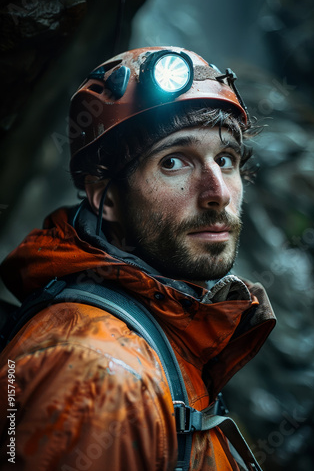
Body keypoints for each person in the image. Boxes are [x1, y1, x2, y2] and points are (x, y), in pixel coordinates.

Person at [0, 47, 275, 470]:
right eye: (174, 162)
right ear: (105, 199)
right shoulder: (96, 375)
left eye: (225, 159)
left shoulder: (164, 331)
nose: (218, 192)